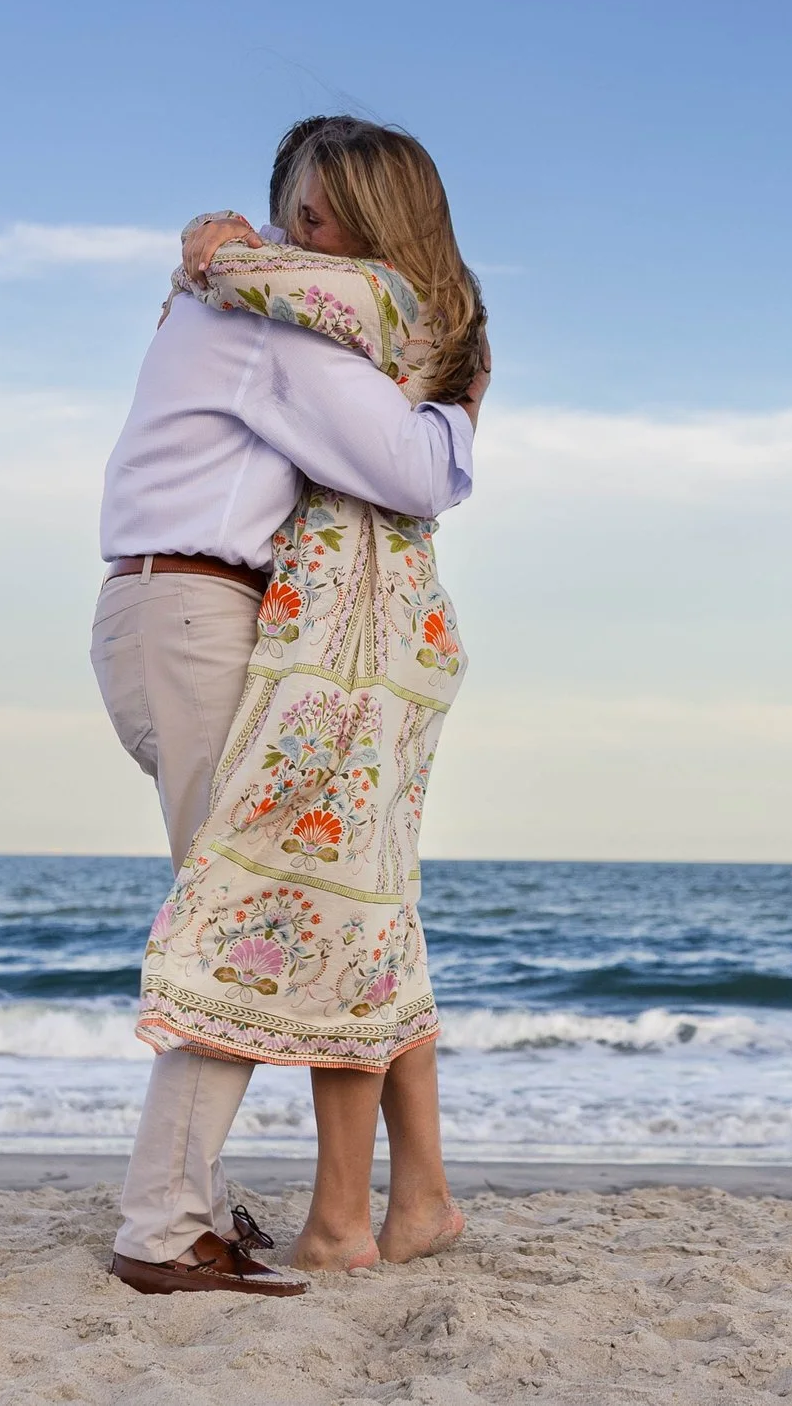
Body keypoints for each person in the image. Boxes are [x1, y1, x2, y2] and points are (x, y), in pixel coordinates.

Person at [99, 118, 486, 1294]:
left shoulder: (256, 299)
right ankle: (164, 1227)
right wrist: (467, 389)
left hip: (185, 613)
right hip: (200, 618)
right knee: (252, 921)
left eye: (325, 219)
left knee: (310, 905)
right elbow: (419, 470)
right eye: (295, 213)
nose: (298, 237)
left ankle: (239, 1205)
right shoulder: (270, 319)